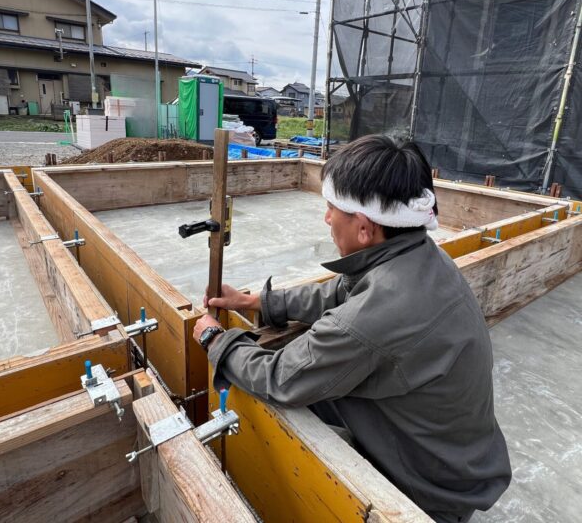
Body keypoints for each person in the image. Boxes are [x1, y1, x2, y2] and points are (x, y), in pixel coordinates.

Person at [193, 135, 511, 523]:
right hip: (459, 461)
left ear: (363, 228)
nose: (327, 218)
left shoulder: (375, 318)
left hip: (429, 491)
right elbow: (344, 291)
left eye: (332, 208)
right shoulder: (419, 255)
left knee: (283, 385)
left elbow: (281, 377)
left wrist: (216, 339)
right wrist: (258, 302)